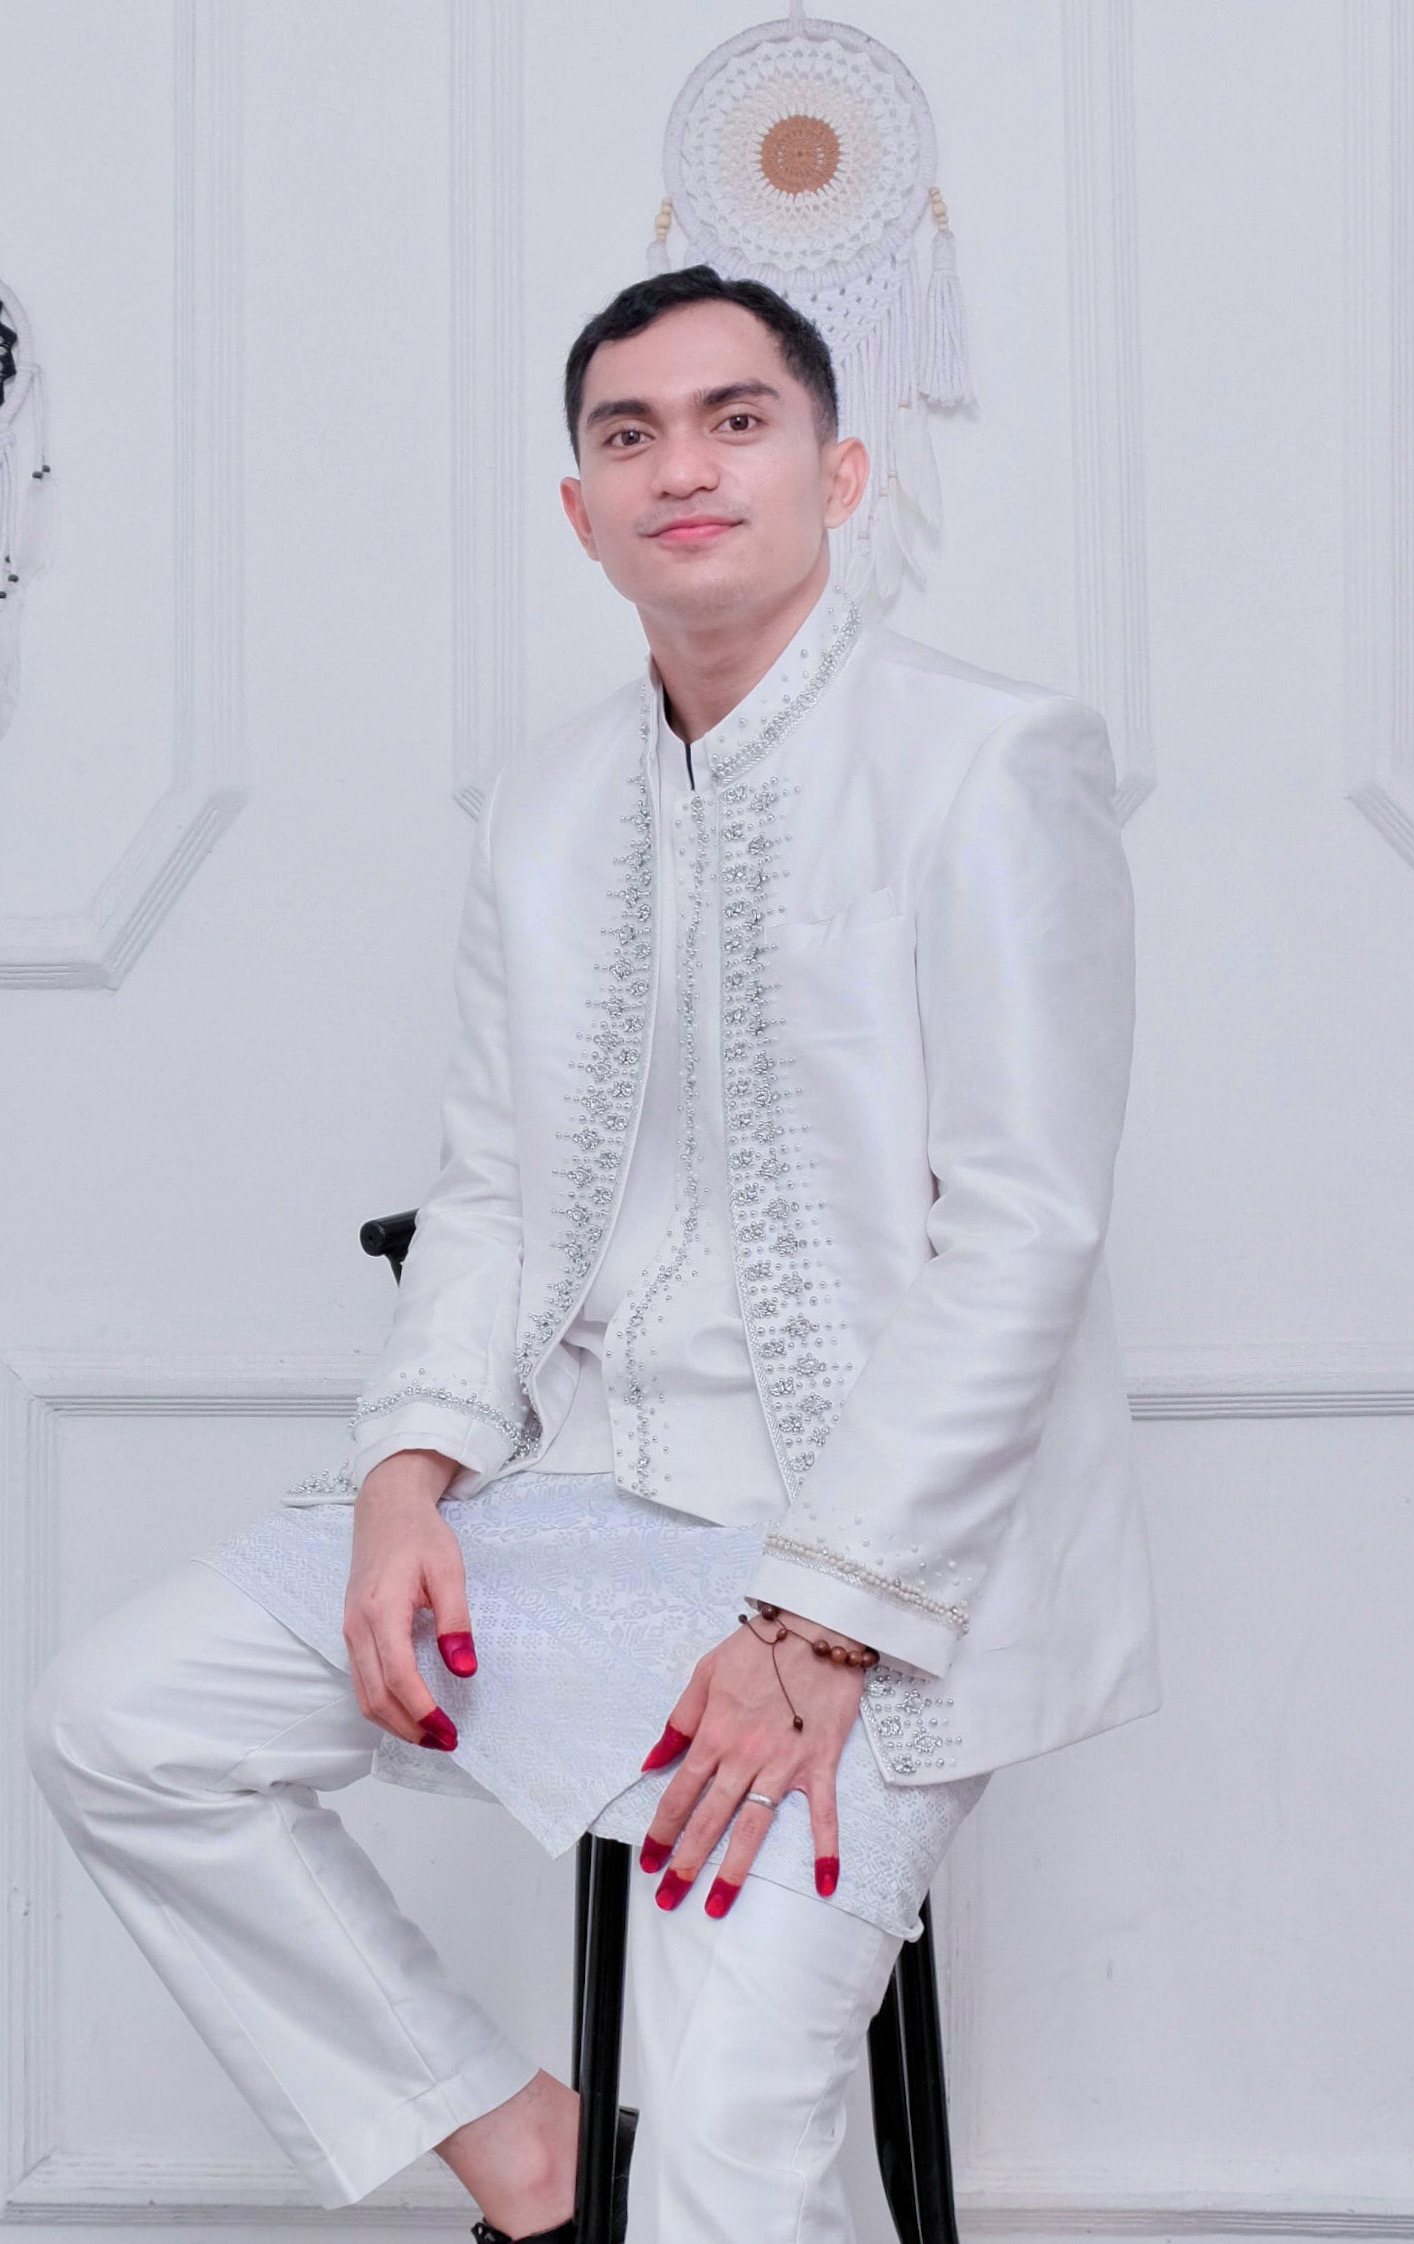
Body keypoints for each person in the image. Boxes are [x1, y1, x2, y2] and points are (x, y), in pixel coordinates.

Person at [24, 263, 1162, 2244]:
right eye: (630, 435)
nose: (682, 467)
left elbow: (1024, 1239)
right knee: (123, 1720)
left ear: (842, 472)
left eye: (737, 420)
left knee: (726, 2137)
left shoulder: (991, 760)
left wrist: (819, 1626)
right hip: (588, 1505)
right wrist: (405, 1481)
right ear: (581, 510)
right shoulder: (547, 807)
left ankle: (651, 2149)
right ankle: (527, 2150)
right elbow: (489, 1189)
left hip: (879, 1567)